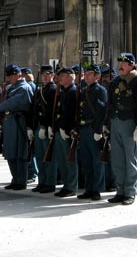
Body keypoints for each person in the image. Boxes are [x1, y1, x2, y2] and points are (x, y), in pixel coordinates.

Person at [106, 53, 137, 205]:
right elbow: (110, 103)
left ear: (132, 65)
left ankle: (130, 192)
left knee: (131, 158)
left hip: (130, 123)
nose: (121, 66)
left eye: (124, 63)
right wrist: (107, 123)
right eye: (120, 63)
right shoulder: (116, 81)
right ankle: (120, 190)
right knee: (117, 159)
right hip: (116, 122)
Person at [0, 64, 34, 190]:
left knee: (19, 153)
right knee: (10, 152)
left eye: (12, 75)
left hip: (19, 122)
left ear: (19, 75)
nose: (9, 78)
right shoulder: (10, 87)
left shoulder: (24, 87)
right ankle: (15, 179)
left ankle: (21, 180)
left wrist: (1, 107)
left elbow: (14, 103)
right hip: (10, 122)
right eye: (9, 76)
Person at [77, 63, 107, 201]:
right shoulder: (84, 91)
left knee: (97, 161)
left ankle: (96, 189)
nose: (86, 76)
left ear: (97, 76)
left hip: (93, 129)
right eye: (86, 74)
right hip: (83, 129)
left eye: (90, 74)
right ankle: (89, 188)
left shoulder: (100, 90)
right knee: (86, 161)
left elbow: (102, 112)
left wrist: (98, 130)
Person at [52, 67, 79, 197]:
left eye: (62, 75)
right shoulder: (63, 91)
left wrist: (65, 128)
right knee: (61, 160)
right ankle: (66, 184)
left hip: (67, 131)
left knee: (70, 160)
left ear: (70, 76)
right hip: (59, 129)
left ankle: (71, 186)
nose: (59, 78)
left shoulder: (73, 91)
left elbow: (71, 113)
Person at [31, 65, 57, 194]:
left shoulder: (53, 89)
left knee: (48, 157)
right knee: (40, 156)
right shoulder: (40, 89)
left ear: (52, 75)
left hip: (46, 128)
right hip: (38, 127)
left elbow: (51, 111)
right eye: (43, 75)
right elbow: (35, 110)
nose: (45, 77)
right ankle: (42, 181)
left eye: (48, 74)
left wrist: (46, 126)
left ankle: (50, 183)